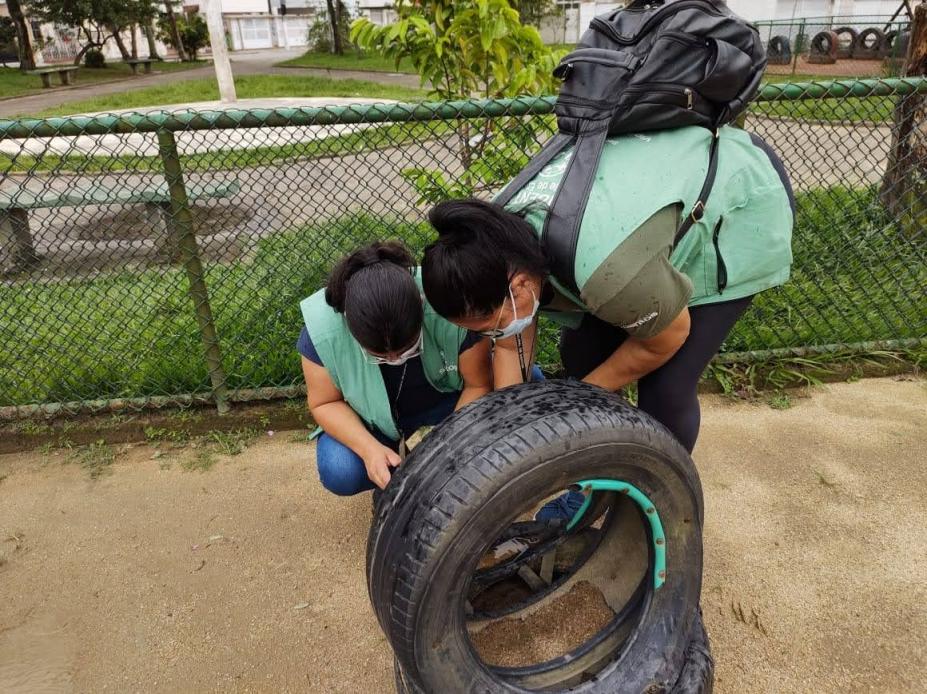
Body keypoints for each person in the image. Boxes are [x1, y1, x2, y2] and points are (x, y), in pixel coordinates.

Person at [420, 125, 794, 519]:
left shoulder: (604, 272)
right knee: (580, 349)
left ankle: (655, 508)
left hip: (735, 201)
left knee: (665, 389)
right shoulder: (491, 236)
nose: (494, 336)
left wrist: (577, 400)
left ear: (519, 285)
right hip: (628, 226)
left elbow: (667, 337)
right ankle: (597, 479)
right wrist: (507, 433)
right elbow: (513, 343)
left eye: (490, 326)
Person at [297, 241, 492, 495]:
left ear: (421, 305)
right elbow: (325, 403)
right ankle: (390, 478)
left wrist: (447, 446)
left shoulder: (449, 299)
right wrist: (369, 450)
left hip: (447, 398)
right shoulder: (323, 331)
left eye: (406, 348)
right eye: (380, 355)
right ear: (347, 322)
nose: (394, 358)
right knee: (340, 468)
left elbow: (478, 384)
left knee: (524, 383)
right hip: (374, 418)